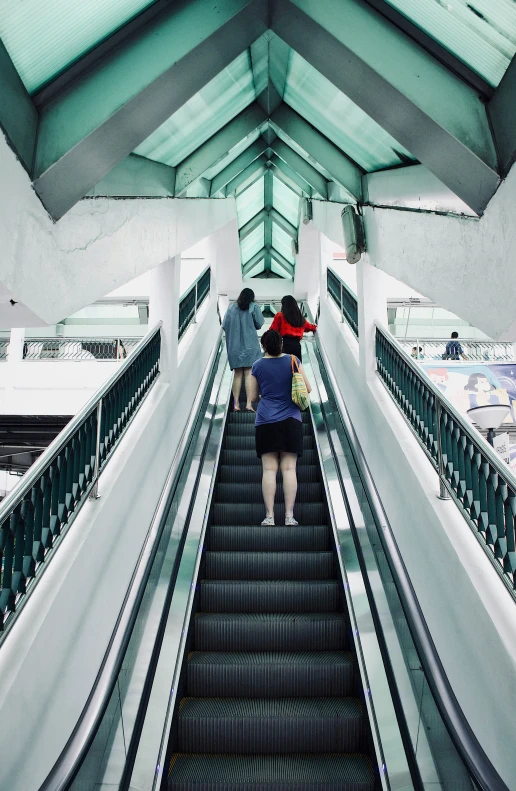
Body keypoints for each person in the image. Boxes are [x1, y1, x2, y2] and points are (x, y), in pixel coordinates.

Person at [247, 329, 312, 526]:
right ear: (281, 343)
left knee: (269, 469)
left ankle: (270, 516)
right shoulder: (293, 360)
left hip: (266, 420)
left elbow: (252, 397)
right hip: (291, 420)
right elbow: (307, 388)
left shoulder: (257, 366)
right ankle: (289, 516)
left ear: (263, 345)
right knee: (289, 468)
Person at [222, 288, 264, 411]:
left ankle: (235, 404)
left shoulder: (231, 307)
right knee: (249, 373)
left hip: (234, 347)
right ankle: (249, 404)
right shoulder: (253, 306)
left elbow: (224, 325)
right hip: (250, 345)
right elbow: (259, 323)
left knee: (237, 374)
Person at [269, 295, 317, 362]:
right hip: (297, 346)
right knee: (296, 368)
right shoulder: (300, 319)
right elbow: (311, 327)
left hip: (284, 345)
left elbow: (272, 330)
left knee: (284, 367)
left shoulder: (280, 316)